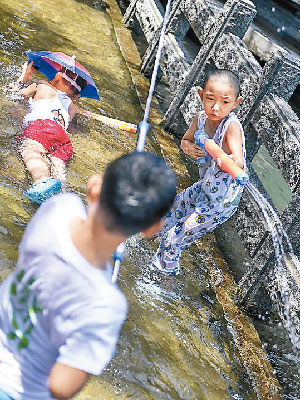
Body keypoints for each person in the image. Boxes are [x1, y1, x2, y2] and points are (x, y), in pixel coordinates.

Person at [0, 151, 177, 400]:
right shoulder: (107, 305)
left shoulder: (59, 209)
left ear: (94, 186)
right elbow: (61, 386)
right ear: (152, 229)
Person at [152, 68, 246, 276]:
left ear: (236, 103)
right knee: (162, 216)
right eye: (210, 99)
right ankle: (140, 246)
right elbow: (186, 140)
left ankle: (163, 277)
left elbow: (238, 159)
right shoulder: (201, 119)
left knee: (175, 238)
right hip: (203, 188)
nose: (215, 107)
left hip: (220, 202)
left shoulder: (231, 127)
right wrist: (188, 148)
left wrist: (228, 160)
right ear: (200, 94)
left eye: (225, 102)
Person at [13, 61, 86, 204]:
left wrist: (24, 76)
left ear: (57, 77)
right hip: (63, 140)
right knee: (57, 167)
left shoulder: (43, 85)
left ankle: (41, 180)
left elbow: (16, 94)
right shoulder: (72, 108)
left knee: (32, 152)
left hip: (41, 127)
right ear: (76, 96)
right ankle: (61, 198)